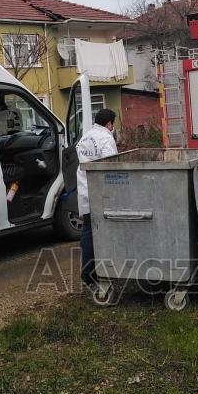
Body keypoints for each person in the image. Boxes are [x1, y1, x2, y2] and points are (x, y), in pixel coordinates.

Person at [76, 108, 118, 287]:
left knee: (88, 233)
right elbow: (112, 165)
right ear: (109, 124)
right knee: (105, 233)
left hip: (85, 190)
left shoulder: (85, 137)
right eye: (113, 125)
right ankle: (106, 270)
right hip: (102, 192)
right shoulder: (106, 138)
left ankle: (87, 274)